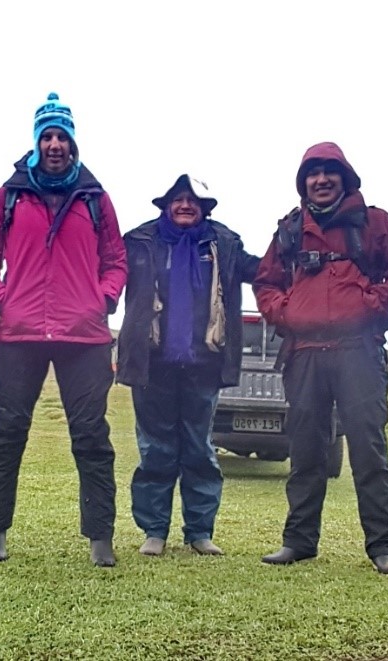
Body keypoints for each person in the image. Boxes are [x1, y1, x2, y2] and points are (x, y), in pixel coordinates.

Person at [0, 93, 127, 567]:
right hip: (19, 333)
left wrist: (102, 300)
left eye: (62, 136)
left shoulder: (97, 199)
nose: (55, 144)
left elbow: (115, 260)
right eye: (47, 136)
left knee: (92, 436)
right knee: (6, 432)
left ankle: (100, 536)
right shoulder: (10, 195)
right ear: (37, 143)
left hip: (84, 336)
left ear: (73, 143)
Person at [253, 142, 388, 574]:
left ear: (345, 177)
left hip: (359, 353)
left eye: (330, 171)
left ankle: (385, 548)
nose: (322, 179)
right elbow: (266, 282)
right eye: (313, 172)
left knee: (369, 449)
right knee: (306, 451)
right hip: (304, 354)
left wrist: (370, 302)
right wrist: (284, 311)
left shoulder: (375, 223)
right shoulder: (289, 230)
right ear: (303, 181)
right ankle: (298, 542)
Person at [116, 174, 260, 557]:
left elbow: (264, 270)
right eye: (178, 199)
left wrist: (295, 246)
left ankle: (199, 531)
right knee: (156, 450)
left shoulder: (224, 245)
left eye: (192, 201)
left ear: (204, 209)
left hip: (204, 364)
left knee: (199, 449)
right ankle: (154, 530)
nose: (184, 205)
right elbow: (105, 270)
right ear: (165, 204)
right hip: (152, 362)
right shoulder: (140, 243)